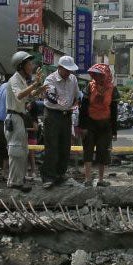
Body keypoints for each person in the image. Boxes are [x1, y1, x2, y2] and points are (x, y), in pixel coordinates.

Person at [7, 50, 48, 192]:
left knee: (22, 150)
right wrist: (35, 83)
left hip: (20, 117)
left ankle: (18, 180)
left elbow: (29, 97)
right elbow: (19, 95)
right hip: (14, 117)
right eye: (29, 64)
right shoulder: (14, 79)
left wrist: (39, 88)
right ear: (21, 66)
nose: (32, 66)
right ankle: (14, 182)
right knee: (16, 150)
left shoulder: (22, 80)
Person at [39, 55, 81, 187]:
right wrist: (58, 101)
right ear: (60, 68)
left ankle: (60, 174)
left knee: (64, 146)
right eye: (66, 70)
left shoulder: (73, 79)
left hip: (66, 115)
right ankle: (48, 177)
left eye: (70, 70)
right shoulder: (50, 79)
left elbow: (76, 95)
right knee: (52, 146)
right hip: (52, 114)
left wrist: (74, 105)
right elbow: (49, 95)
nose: (69, 73)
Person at [76, 63, 115, 186]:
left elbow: (114, 111)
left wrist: (114, 131)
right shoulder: (89, 87)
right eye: (96, 75)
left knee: (102, 152)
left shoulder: (113, 89)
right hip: (90, 124)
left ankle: (101, 180)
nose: (98, 78)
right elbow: (83, 108)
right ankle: (88, 179)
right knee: (88, 151)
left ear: (106, 75)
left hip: (105, 125)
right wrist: (82, 127)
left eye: (100, 75)